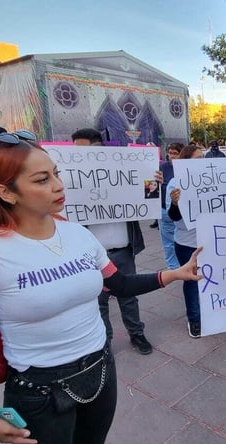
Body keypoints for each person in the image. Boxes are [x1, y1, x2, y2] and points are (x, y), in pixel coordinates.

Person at [0, 131, 201, 444]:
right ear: (5, 192)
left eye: (56, 173)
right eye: (42, 179)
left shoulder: (80, 235)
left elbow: (120, 283)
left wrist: (175, 274)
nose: (57, 185)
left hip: (100, 371)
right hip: (38, 391)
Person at [71, 128, 153, 356]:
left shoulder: (123, 172)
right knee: (98, 301)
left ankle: (136, 334)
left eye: (87, 150)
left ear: (100, 148)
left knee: (128, 296)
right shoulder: (69, 180)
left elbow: (147, 198)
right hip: (88, 255)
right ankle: (103, 342)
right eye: (77, 151)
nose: (82, 156)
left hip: (123, 251)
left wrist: (153, 182)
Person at [166, 145, 205, 338]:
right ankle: (194, 319)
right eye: (197, 159)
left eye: (203, 158)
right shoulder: (175, 183)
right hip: (187, 243)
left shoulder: (212, 178)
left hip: (211, 241)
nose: (202, 162)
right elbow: (172, 216)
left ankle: (211, 314)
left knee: (211, 280)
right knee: (191, 282)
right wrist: (175, 203)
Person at [159, 143, 183, 270]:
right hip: (164, 209)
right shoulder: (162, 167)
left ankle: (183, 264)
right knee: (168, 243)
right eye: (170, 152)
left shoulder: (186, 167)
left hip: (182, 212)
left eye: (175, 153)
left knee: (180, 240)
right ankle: (173, 267)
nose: (172, 156)